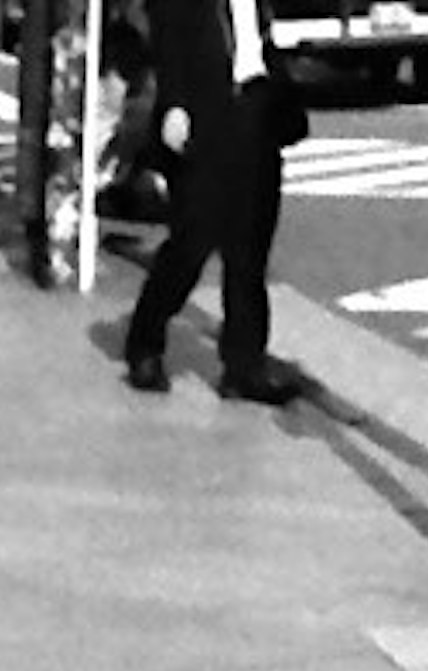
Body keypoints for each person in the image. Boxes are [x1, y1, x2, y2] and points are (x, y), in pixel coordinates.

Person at [120, 0, 306, 397]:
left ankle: (244, 364)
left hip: (256, 108)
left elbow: (262, 37)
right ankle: (145, 343)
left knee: (250, 245)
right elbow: (167, 36)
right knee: (193, 238)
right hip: (204, 112)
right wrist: (173, 103)